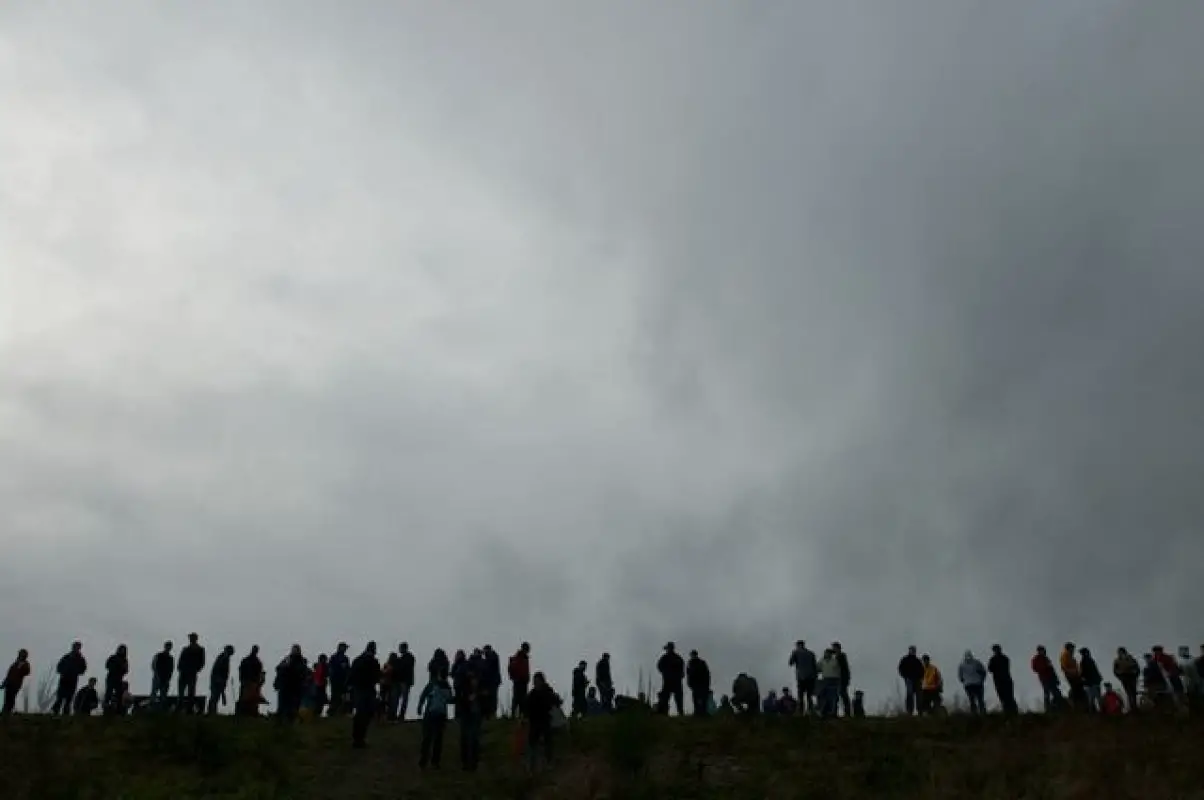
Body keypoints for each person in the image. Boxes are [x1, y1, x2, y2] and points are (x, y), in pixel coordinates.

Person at [417, 671, 453, 769]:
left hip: (430, 713)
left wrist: (420, 707)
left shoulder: (432, 684)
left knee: (427, 738)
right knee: (438, 739)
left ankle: (423, 761)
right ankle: (435, 762)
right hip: (441, 715)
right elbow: (450, 700)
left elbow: (423, 695)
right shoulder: (447, 686)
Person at [349, 641, 381, 748]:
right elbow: (377, 677)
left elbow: (352, 674)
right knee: (366, 715)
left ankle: (356, 738)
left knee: (360, 714)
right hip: (368, 690)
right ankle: (361, 738)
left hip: (359, 689)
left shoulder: (358, 660)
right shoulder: (374, 661)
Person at [525, 672, 558, 771]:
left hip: (544, 719)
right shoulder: (532, 693)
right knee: (532, 743)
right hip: (534, 721)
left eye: (538, 681)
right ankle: (531, 765)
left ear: (542, 681)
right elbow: (527, 707)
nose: (536, 683)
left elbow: (555, 700)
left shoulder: (547, 691)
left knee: (548, 741)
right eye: (535, 681)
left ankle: (549, 762)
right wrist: (525, 717)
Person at [457, 672, 485, 771]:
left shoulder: (479, 691)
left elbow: (484, 702)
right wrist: (468, 700)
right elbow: (461, 701)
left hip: (475, 716)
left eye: (476, 679)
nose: (475, 682)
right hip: (467, 716)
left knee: (474, 739)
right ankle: (465, 763)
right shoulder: (465, 690)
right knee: (465, 739)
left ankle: (474, 763)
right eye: (473, 679)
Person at [275, 645, 308, 722]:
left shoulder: (301, 661)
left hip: (295, 686)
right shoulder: (287, 659)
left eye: (296, 650)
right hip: (285, 685)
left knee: (293, 706)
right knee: (283, 705)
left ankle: (291, 720)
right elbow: (278, 668)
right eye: (293, 650)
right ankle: (280, 720)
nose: (294, 651)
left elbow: (302, 673)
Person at [53, 641, 87, 716]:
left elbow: (83, 669)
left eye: (78, 647)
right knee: (60, 696)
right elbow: (59, 666)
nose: (76, 648)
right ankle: (56, 711)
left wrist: (76, 672)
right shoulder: (66, 657)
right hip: (64, 679)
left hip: (73, 679)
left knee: (69, 697)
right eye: (75, 647)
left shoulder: (81, 659)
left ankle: (66, 712)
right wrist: (63, 671)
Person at [177, 633, 206, 714]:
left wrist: (196, 669)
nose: (191, 639)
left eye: (192, 638)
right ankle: (180, 708)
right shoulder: (185, 649)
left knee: (191, 691)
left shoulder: (200, 649)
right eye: (190, 638)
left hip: (192, 672)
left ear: (195, 639)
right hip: (183, 672)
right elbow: (181, 659)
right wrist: (180, 668)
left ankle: (189, 709)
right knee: (181, 692)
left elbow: (202, 662)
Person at [789, 640, 818, 715]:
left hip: (801, 677)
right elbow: (815, 666)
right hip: (811, 677)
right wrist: (815, 677)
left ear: (798, 645)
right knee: (809, 695)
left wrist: (794, 654)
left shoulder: (796, 652)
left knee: (800, 695)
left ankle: (800, 711)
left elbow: (790, 663)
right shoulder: (811, 653)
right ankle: (810, 710)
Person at [987, 645, 1018, 715]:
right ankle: (1007, 712)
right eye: (995, 650)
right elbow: (990, 669)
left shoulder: (1003, 658)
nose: (996, 651)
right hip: (999, 681)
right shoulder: (994, 659)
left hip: (1005, 680)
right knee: (1003, 697)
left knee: (1009, 697)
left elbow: (992, 669)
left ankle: (1013, 712)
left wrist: (996, 668)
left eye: (997, 649)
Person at [656, 642, 685, 716]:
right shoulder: (674, 658)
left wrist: (665, 673)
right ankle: (665, 713)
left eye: (668, 648)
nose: (667, 650)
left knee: (676, 698)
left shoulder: (675, 658)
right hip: (670, 681)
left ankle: (679, 713)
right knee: (667, 698)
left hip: (673, 681)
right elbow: (659, 666)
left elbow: (682, 671)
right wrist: (665, 673)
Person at [1031, 646, 1062, 712]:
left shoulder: (1046, 658)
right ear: (1038, 651)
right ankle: (1048, 708)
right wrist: (1044, 667)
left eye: (1043, 650)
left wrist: (1056, 679)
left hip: (1051, 678)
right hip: (1044, 678)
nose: (1042, 652)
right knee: (1047, 693)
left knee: (1057, 693)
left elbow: (1052, 669)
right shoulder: (1036, 659)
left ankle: (1056, 706)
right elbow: (1035, 669)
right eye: (1041, 650)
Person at [1, 649, 31, 715]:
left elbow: (27, 672)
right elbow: (9, 675)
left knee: (11, 698)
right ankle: (5, 712)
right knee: (7, 698)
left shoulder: (26, 664)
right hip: (9, 683)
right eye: (20, 654)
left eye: (23, 654)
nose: (21, 655)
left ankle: (7, 712)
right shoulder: (14, 664)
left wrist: (21, 666)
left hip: (16, 684)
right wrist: (4, 683)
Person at [957, 650, 987, 715]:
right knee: (980, 699)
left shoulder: (962, 665)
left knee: (972, 699)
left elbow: (960, 676)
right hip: (977, 683)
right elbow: (983, 672)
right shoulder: (977, 663)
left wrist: (964, 681)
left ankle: (974, 712)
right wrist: (982, 680)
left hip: (968, 684)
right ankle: (982, 712)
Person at [208, 645, 235, 715]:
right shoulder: (222, 658)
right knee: (215, 697)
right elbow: (218, 670)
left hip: (219, 680)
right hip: (217, 680)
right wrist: (219, 680)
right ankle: (211, 711)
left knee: (215, 697)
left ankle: (212, 711)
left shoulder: (223, 658)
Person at [897, 646, 924, 716]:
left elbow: (922, 670)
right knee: (909, 695)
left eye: (914, 650)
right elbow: (900, 669)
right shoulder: (905, 659)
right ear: (909, 651)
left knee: (919, 696)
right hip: (909, 679)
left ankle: (920, 711)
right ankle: (909, 711)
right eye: (911, 650)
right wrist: (905, 676)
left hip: (917, 680)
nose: (913, 651)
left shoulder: (918, 661)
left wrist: (921, 678)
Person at [103, 645, 129, 716]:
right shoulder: (113, 657)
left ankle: (119, 710)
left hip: (119, 678)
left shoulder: (124, 660)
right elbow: (107, 665)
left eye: (123, 650)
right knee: (108, 693)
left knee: (119, 694)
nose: (122, 651)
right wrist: (114, 667)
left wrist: (121, 668)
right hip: (111, 677)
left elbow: (126, 670)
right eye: (121, 649)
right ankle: (106, 709)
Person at [1112, 647, 1140, 711]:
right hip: (1124, 678)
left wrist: (1135, 674)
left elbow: (1137, 668)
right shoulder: (1117, 661)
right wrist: (1121, 677)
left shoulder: (1131, 659)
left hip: (1132, 677)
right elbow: (1115, 671)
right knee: (1129, 693)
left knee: (1133, 693)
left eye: (1122, 652)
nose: (1120, 653)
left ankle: (1135, 707)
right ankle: (1132, 707)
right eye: (1119, 652)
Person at [238, 645, 263, 716]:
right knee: (248, 698)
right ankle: (246, 712)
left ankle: (244, 713)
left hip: (249, 681)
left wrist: (241, 679)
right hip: (250, 681)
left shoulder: (246, 660)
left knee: (246, 698)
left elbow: (241, 670)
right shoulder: (257, 662)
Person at [508, 643, 531, 717]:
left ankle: (520, 716)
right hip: (519, 681)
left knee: (522, 699)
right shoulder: (519, 657)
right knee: (517, 699)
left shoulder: (524, 657)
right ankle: (514, 715)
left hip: (523, 681)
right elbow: (514, 668)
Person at [818, 648, 842, 718]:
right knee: (823, 695)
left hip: (834, 679)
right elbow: (817, 668)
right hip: (825, 679)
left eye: (827, 653)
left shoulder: (835, 661)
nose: (826, 654)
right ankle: (824, 711)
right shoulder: (822, 661)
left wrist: (839, 681)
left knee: (833, 697)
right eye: (825, 653)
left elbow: (839, 671)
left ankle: (833, 712)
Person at [686, 649, 712, 717]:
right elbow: (688, 674)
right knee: (696, 699)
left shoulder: (701, 663)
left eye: (693, 655)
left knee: (703, 699)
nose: (693, 656)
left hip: (702, 684)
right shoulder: (690, 663)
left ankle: (703, 713)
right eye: (692, 655)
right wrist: (690, 684)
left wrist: (707, 684)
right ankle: (697, 712)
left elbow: (707, 674)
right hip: (696, 685)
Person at [1060, 642, 1084, 711]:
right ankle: (1074, 706)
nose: (1073, 650)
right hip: (1071, 676)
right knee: (1076, 690)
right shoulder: (1065, 655)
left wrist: (1078, 672)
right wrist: (1073, 671)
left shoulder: (1070, 656)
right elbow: (1064, 667)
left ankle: (1079, 705)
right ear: (1069, 648)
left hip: (1075, 676)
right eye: (1072, 648)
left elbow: (1076, 666)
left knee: (1079, 690)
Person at [327, 643, 350, 716]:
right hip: (336, 680)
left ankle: (341, 711)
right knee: (335, 696)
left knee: (343, 696)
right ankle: (333, 711)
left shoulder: (345, 658)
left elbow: (348, 670)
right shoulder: (334, 657)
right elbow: (330, 669)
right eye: (344, 648)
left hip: (342, 680)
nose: (345, 649)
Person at [150, 641, 174, 708]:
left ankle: (162, 708)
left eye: (169, 646)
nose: (168, 647)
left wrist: (168, 678)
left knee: (163, 694)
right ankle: (152, 706)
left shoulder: (171, 658)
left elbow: (171, 669)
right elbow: (153, 665)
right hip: (157, 677)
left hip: (165, 678)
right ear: (165, 646)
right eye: (167, 646)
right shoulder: (158, 655)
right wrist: (157, 675)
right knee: (154, 692)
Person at [1079, 647, 1103, 712]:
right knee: (1095, 698)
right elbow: (1083, 673)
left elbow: (1094, 670)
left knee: (1094, 698)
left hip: (1092, 682)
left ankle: (1096, 711)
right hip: (1092, 682)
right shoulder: (1086, 661)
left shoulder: (1087, 661)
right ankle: (1096, 711)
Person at [480, 645, 500, 719]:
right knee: (489, 698)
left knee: (492, 698)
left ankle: (492, 714)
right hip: (490, 681)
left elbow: (488, 668)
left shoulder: (493, 657)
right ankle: (489, 714)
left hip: (492, 681)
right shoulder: (490, 657)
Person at [833, 642, 852, 717]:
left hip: (842, 678)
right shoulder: (840, 656)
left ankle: (847, 711)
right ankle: (846, 711)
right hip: (843, 678)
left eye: (834, 648)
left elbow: (842, 668)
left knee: (843, 694)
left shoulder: (841, 656)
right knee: (842, 694)